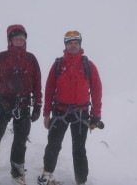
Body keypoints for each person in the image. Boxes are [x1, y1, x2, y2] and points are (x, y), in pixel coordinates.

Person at [37, 31, 102, 185]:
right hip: (60, 111)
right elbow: (49, 89)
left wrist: (96, 115)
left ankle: (81, 181)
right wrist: (46, 114)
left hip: (82, 113)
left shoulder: (88, 65)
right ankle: (46, 175)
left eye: (76, 43)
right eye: (70, 43)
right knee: (53, 145)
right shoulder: (59, 64)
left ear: (80, 45)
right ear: (65, 45)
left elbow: (97, 90)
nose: (73, 45)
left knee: (79, 149)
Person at [0, 24, 42, 185]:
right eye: (16, 38)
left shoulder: (31, 59)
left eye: (22, 38)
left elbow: (37, 84)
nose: (19, 40)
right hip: (3, 105)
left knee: (20, 143)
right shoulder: (0, 57)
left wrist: (37, 105)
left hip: (23, 106)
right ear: (10, 40)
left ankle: (17, 173)